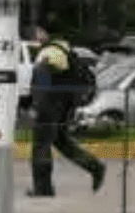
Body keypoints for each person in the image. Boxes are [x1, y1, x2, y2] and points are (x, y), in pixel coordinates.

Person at [29, 26, 105, 198]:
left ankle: (43, 189)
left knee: (41, 146)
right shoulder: (64, 48)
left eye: (37, 35)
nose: (35, 39)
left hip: (49, 107)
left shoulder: (49, 53)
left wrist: (36, 106)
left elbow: (42, 79)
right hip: (64, 106)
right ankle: (94, 166)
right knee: (61, 142)